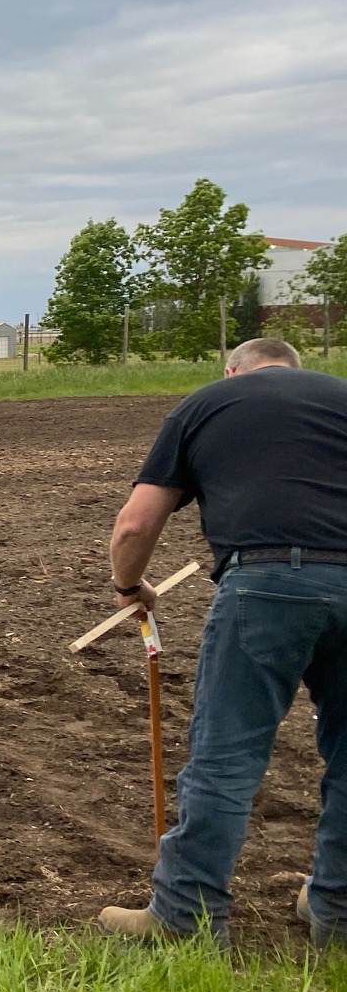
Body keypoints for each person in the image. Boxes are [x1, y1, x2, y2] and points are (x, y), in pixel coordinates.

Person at [98, 337, 347, 949]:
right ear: (295, 367)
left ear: (233, 370)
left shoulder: (207, 404)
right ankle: (336, 912)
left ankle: (185, 918)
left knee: (225, 755)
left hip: (265, 585)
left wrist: (128, 584)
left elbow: (135, 522)